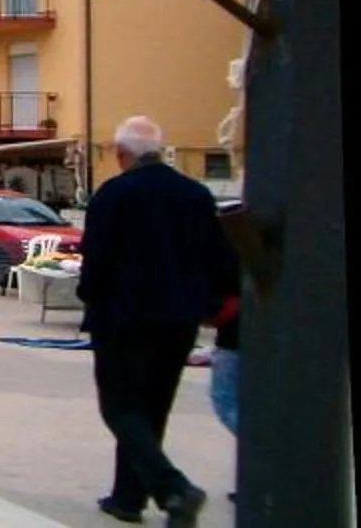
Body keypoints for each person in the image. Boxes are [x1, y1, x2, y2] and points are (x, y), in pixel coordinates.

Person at [77, 117, 239, 525]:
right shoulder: (196, 195)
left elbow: (95, 261)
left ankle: (173, 489)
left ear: (121, 154)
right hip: (180, 320)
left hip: (123, 318)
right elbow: (219, 259)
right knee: (152, 409)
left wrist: (89, 297)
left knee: (120, 407)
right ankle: (127, 497)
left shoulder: (113, 195)